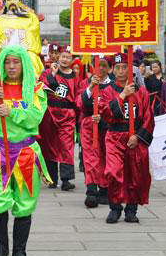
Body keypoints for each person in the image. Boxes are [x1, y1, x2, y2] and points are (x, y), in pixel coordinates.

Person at [0, 45, 48, 256]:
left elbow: (35, 117)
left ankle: (20, 250)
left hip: (26, 153)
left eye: (15, 62)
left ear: (23, 64)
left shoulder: (35, 89)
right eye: (7, 62)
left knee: (24, 203)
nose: (11, 66)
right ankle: (0, 246)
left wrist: (12, 111)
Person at [100, 52, 154, 225]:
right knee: (113, 172)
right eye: (118, 68)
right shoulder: (108, 91)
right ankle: (115, 207)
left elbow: (148, 118)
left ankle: (132, 209)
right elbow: (107, 113)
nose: (121, 71)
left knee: (135, 174)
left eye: (125, 67)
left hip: (134, 138)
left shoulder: (142, 92)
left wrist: (138, 137)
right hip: (114, 137)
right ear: (112, 70)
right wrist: (122, 95)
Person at [38, 46, 78, 191]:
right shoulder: (48, 72)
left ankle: (66, 179)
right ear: (58, 57)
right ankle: (51, 179)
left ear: (72, 60)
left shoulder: (75, 76)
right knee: (49, 145)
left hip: (67, 114)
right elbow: (43, 87)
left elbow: (78, 96)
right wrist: (53, 75)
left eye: (68, 57)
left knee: (67, 146)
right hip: (49, 113)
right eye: (63, 56)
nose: (65, 59)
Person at [76, 56, 112, 208]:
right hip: (89, 125)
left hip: (107, 127)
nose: (101, 69)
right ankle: (91, 189)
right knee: (90, 157)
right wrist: (91, 87)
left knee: (106, 157)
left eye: (104, 66)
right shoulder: (86, 82)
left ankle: (104, 189)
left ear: (109, 68)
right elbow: (79, 103)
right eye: (98, 65)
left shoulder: (114, 85)